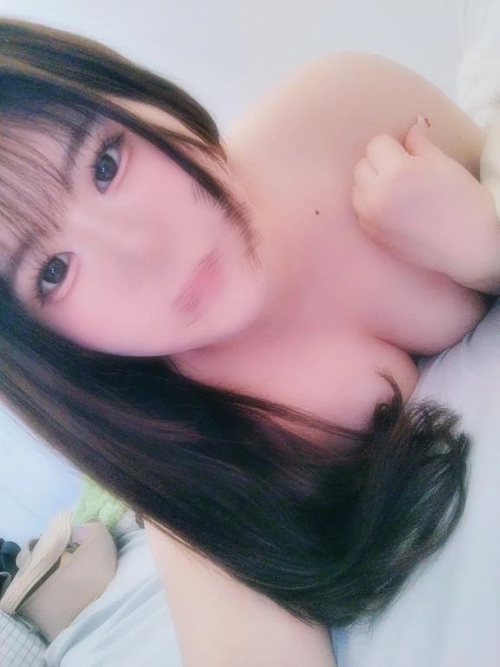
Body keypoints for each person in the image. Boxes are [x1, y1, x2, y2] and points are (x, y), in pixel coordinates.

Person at [0, 18, 495, 666]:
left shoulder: (343, 116)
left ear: (135, 96)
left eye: (106, 164)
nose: (142, 249)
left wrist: (488, 243)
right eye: (54, 271)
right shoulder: (185, 456)